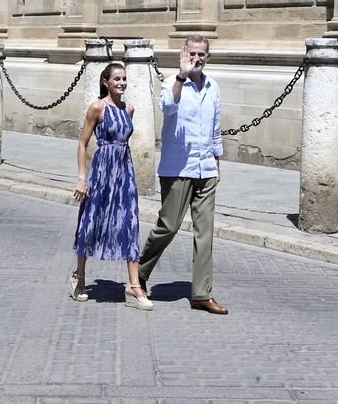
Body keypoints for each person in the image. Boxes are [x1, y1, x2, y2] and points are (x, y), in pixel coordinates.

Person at [137, 35, 228, 315]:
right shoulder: (171, 82)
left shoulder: (213, 87)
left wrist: (217, 158)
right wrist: (180, 75)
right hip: (178, 169)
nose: (197, 59)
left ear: (208, 57)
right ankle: (139, 272)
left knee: (205, 233)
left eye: (202, 54)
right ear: (184, 54)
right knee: (169, 226)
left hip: (206, 169)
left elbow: (215, 125)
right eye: (193, 54)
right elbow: (167, 106)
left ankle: (202, 293)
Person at [70, 63, 151, 310]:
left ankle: (134, 287)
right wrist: (83, 177)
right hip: (101, 172)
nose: (122, 83)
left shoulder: (130, 108)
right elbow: (83, 143)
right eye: (117, 78)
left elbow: (124, 141)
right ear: (106, 81)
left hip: (124, 173)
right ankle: (79, 277)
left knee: (129, 223)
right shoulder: (97, 107)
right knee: (90, 220)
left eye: (124, 79)